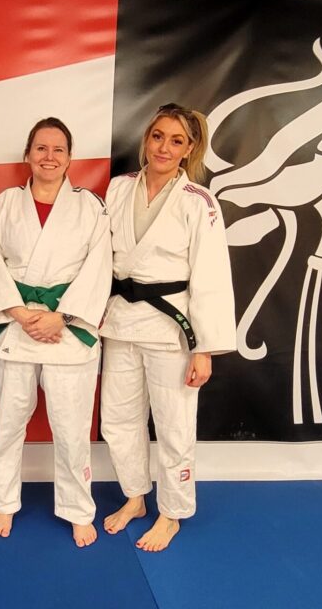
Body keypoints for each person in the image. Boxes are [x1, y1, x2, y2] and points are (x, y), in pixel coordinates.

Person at [99, 103, 236, 552]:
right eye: (158, 136)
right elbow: (99, 256)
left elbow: (211, 276)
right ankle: (135, 497)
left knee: (174, 425)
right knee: (118, 419)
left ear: (189, 149)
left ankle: (171, 512)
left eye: (176, 141)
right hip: (120, 321)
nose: (164, 147)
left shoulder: (199, 201)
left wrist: (205, 349)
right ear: (146, 139)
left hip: (170, 327)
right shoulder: (119, 188)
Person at [0, 118, 112, 547]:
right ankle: (3, 500)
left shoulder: (90, 207)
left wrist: (63, 317)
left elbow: (100, 268)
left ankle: (77, 508)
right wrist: (20, 314)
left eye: (58, 149)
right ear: (27, 154)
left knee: (72, 429)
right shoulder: (6, 204)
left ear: (70, 158)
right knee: (8, 422)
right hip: (16, 325)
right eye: (41, 148)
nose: (49, 157)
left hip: (67, 329)